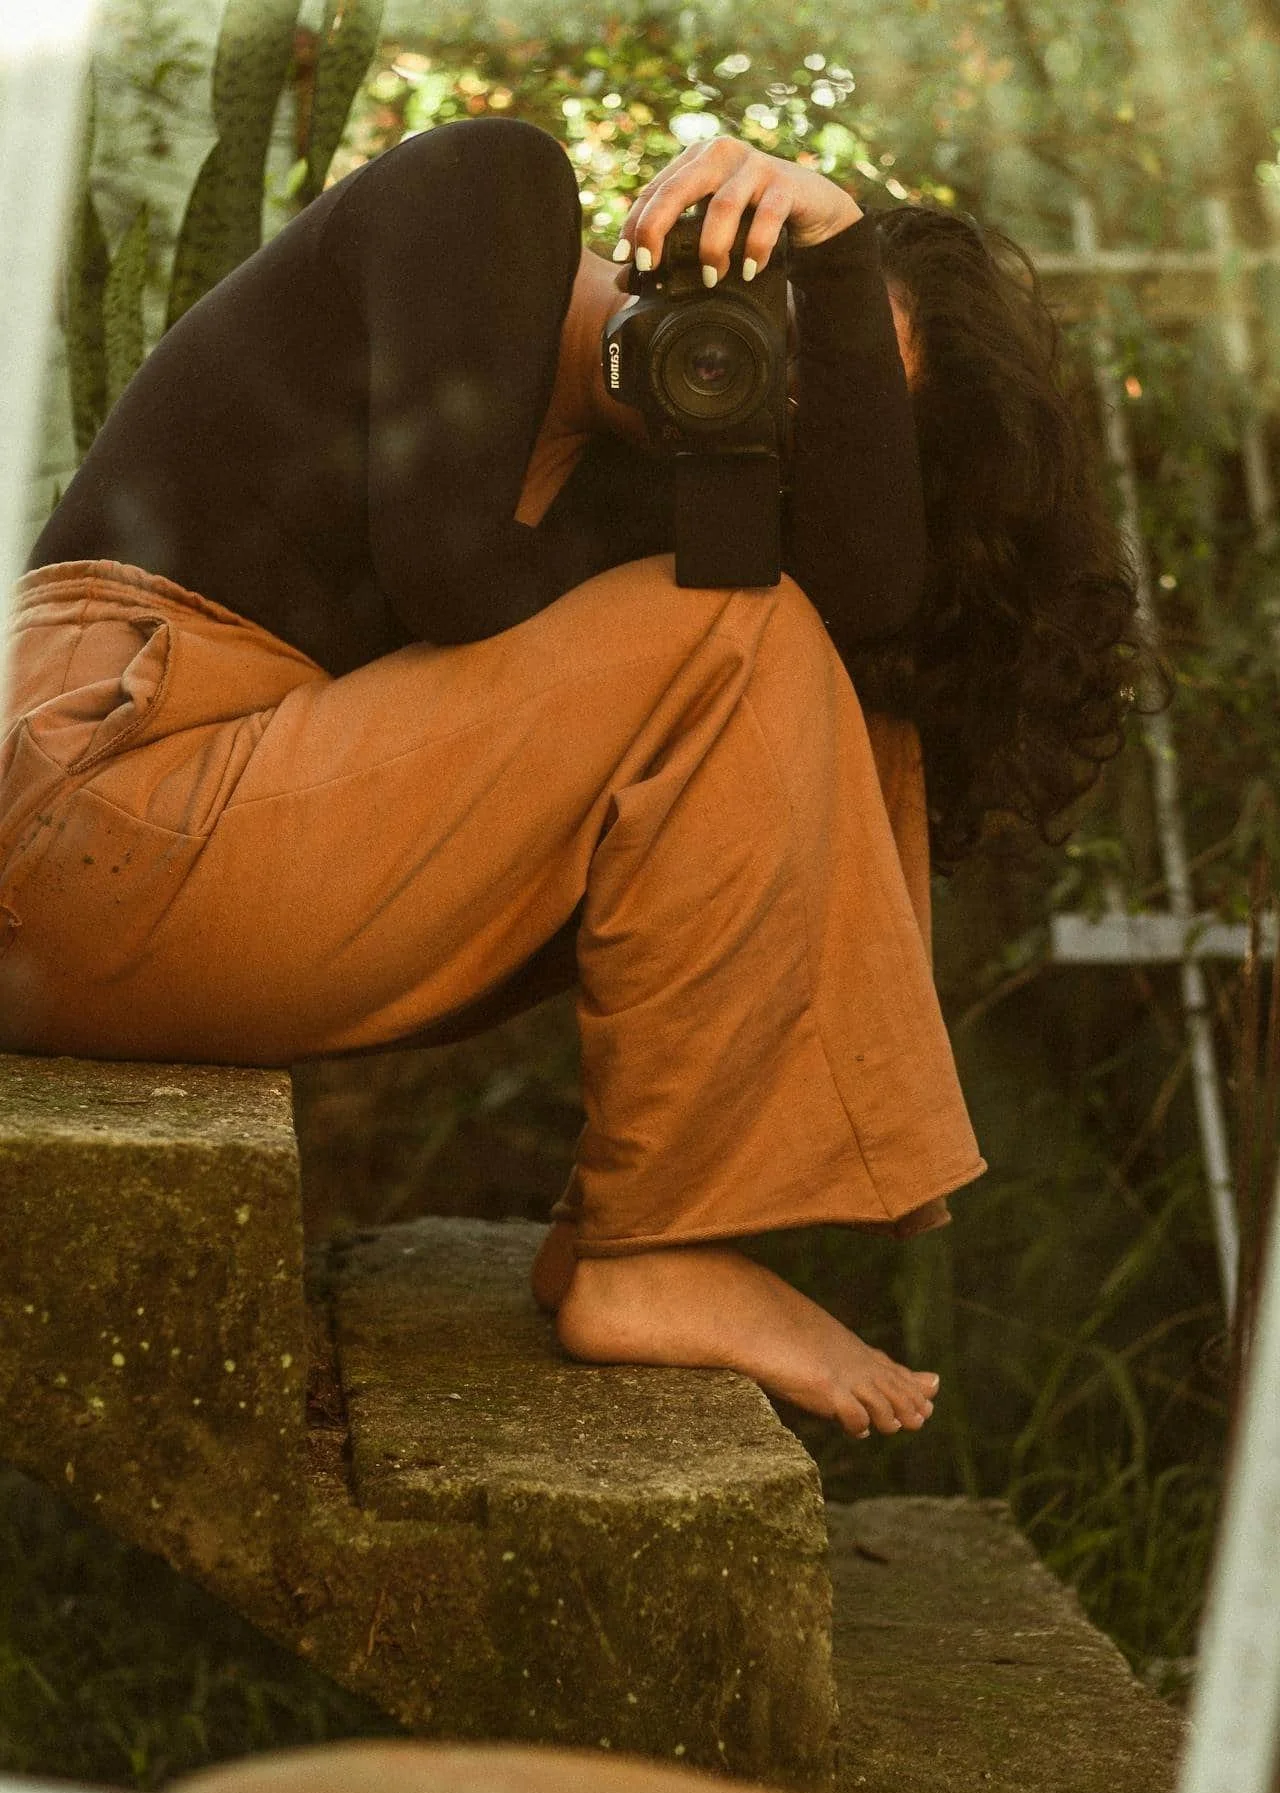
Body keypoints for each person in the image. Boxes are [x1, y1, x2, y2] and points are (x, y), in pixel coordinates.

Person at [0, 116, 1142, 1442]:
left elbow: (870, 596)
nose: (773, 396)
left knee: (816, 672)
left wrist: (830, 293)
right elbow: (446, 564)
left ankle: (631, 1232)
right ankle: (652, 1253)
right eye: (787, 330)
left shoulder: (664, 498)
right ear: (728, 240)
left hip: (221, 846)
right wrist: (814, 271)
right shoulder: (493, 193)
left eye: (824, 408)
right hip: (98, 797)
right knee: (743, 629)